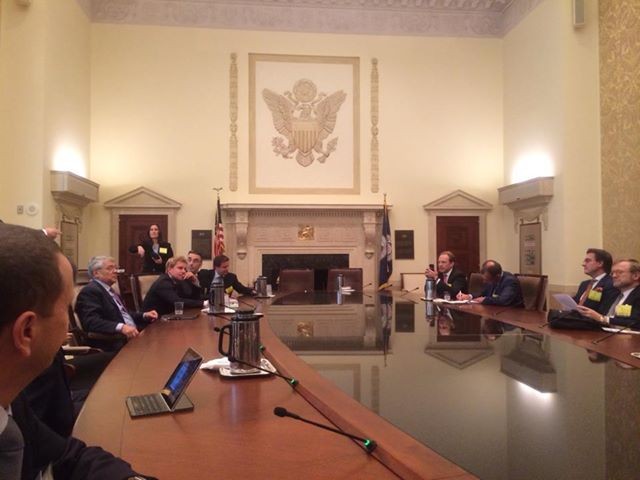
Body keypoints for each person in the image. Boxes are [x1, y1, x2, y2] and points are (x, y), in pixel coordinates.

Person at [0, 223, 151, 479]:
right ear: (27, 331)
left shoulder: (13, 401)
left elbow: (65, 454)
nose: (68, 328)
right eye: (64, 307)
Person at [75, 256, 158, 351]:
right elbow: (91, 322)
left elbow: (122, 314)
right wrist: (121, 327)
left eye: (115, 268)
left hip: (133, 336)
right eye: (110, 268)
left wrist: (144, 315)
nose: (115, 271)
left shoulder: (110, 290)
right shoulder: (90, 291)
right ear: (96, 273)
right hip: (114, 343)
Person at [577, 259, 640, 330]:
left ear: (636, 276)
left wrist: (603, 319)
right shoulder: (614, 294)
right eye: (612, 273)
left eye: (619, 272)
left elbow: (636, 323)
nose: (614, 276)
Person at [456, 260, 524, 307]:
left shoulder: (510, 281)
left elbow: (503, 301)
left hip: (512, 316)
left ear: (497, 276)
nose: (484, 282)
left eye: (487, 280)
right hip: (494, 311)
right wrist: (469, 297)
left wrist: (485, 300)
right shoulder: (491, 279)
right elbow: (483, 295)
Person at [572, 248, 618, 314]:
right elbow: (576, 303)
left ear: (600, 263)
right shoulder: (584, 284)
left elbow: (604, 311)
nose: (583, 264)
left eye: (587, 261)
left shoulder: (611, 284)